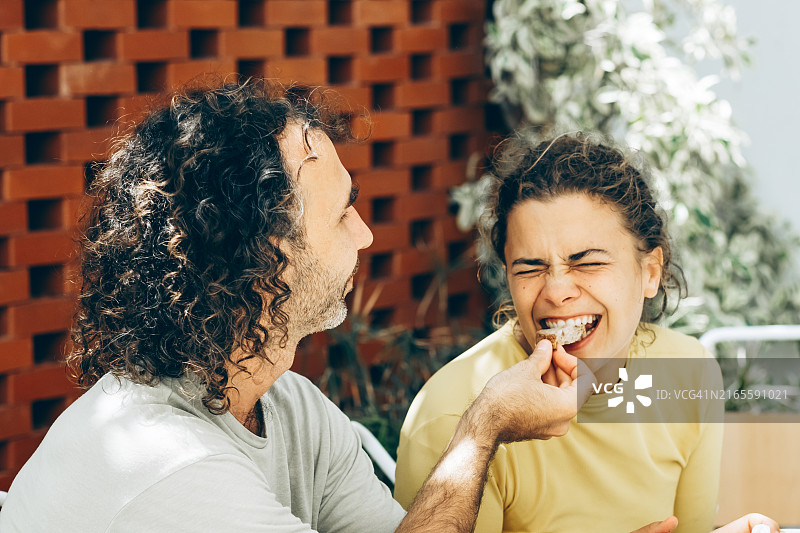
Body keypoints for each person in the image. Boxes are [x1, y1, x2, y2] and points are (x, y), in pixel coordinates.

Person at [0, 81, 774, 533]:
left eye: (589, 260)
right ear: (266, 253)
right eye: (342, 214)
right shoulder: (173, 472)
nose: (368, 233)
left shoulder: (288, 408)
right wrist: (483, 430)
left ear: (653, 270)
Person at [394, 132, 779, 533]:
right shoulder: (456, 414)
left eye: (588, 263)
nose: (556, 292)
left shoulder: (689, 372)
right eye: (529, 268)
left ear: (649, 273)